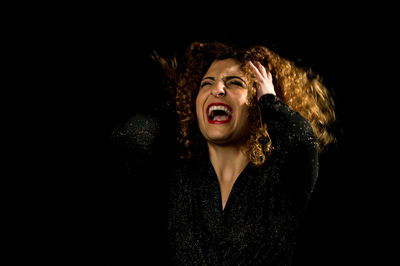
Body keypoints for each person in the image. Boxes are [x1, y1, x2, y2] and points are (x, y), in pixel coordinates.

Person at [112, 41, 336, 265]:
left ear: (257, 104)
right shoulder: (177, 175)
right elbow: (127, 138)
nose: (217, 90)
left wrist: (270, 102)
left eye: (235, 83)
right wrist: (181, 102)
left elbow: (302, 141)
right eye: (206, 84)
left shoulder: (281, 180)